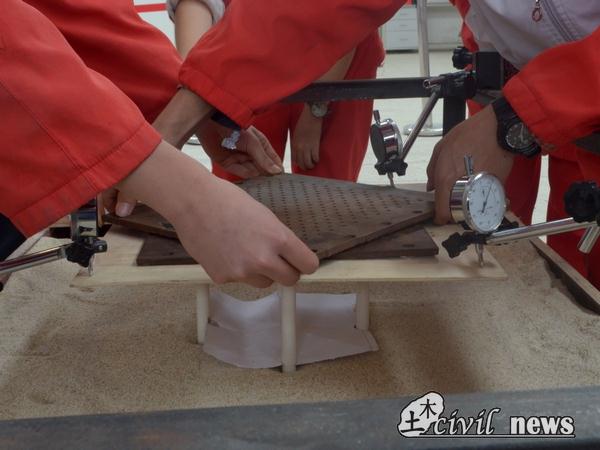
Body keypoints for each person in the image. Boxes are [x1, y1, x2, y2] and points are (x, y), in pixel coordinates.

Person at [1, 0, 405, 288]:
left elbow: (77, 14)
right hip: (245, 56)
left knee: (326, 181)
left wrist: (189, 108)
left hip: (286, 54)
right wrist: (183, 186)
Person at [429, 1, 600, 286]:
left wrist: (519, 115)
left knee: (579, 232)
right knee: (508, 222)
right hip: (505, 64)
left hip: (580, 84)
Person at [168, 0, 385, 182]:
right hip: (248, 43)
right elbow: (195, 10)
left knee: (329, 179)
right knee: (242, 171)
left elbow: (349, 16)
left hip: (341, 51)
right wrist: (206, 103)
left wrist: (316, 110)